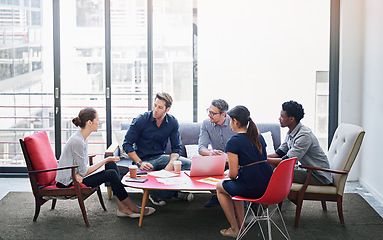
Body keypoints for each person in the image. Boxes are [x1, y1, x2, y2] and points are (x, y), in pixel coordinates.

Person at [55, 108, 155, 218]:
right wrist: (105, 160)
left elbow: (81, 167)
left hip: (75, 175)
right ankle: (134, 208)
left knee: (111, 165)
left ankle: (122, 208)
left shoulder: (82, 137)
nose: (99, 123)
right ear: (89, 123)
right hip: (68, 181)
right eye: (97, 120)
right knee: (111, 173)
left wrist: (80, 172)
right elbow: (83, 171)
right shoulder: (77, 141)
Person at [122, 92, 193, 206]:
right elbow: (126, 145)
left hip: (161, 157)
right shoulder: (141, 120)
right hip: (143, 160)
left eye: (160, 107)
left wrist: (170, 165)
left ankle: (162, 192)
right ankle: (170, 194)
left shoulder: (172, 122)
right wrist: (139, 162)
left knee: (191, 165)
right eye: (155, 105)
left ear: (167, 109)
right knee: (144, 178)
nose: (155, 109)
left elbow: (176, 148)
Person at [216, 106, 273, 238]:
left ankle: (235, 228)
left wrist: (228, 174)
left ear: (235, 121)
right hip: (268, 186)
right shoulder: (258, 137)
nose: (230, 124)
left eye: (230, 120)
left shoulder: (233, 142)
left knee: (220, 187)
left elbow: (233, 174)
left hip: (252, 187)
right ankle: (242, 227)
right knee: (236, 186)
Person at [267, 100, 333, 186]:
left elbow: (286, 161)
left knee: (279, 173)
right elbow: (279, 153)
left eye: (282, 116)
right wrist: (260, 157)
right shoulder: (291, 132)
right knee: (267, 167)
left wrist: (263, 160)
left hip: (318, 176)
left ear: (291, 119)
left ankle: (279, 199)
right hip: (308, 170)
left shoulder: (304, 136)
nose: (279, 118)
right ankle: (261, 196)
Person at [198, 99, 235, 207]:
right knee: (201, 162)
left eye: (213, 113)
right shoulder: (206, 124)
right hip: (217, 159)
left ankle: (239, 197)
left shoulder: (234, 123)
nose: (209, 115)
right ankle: (216, 195)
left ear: (223, 114)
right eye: (208, 111)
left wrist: (229, 157)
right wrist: (211, 154)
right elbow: (201, 147)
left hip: (234, 158)